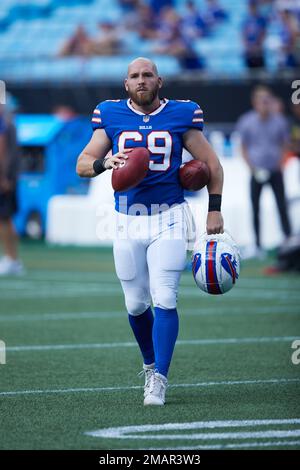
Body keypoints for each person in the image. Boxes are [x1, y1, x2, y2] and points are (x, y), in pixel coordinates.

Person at [76, 57, 224, 406]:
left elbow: (213, 165)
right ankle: (148, 363)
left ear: (160, 81)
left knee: (165, 296)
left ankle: (159, 379)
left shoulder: (182, 114)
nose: (141, 80)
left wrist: (214, 209)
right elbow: (82, 163)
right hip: (127, 218)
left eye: (147, 75)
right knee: (135, 303)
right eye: (134, 76)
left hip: (169, 216)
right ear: (125, 84)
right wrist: (104, 163)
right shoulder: (110, 115)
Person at [236, 85, 291, 257]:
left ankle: (288, 241)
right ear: (254, 102)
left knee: (282, 206)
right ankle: (258, 244)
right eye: (261, 99)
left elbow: (285, 145)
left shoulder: (280, 121)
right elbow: (243, 147)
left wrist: (280, 164)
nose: (264, 102)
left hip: (275, 170)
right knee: (255, 207)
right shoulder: (246, 121)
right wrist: (252, 168)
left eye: (267, 98)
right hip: (256, 171)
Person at [0, 104, 23, 276]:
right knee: (6, 219)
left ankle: (12, 258)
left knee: (4, 219)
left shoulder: (4, 122)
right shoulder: (9, 122)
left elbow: (2, 151)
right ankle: (12, 258)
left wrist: (4, 177)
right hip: (9, 176)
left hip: (5, 178)